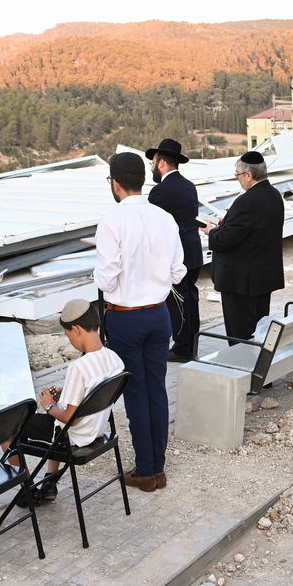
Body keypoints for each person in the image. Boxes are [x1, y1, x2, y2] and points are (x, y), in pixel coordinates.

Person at [93, 152, 185, 492]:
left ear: (115, 184)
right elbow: (179, 271)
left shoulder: (111, 221)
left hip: (126, 317)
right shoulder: (164, 217)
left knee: (135, 393)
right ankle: (156, 467)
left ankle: (146, 470)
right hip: (159, 314)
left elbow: (105, 280)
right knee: (156, 389)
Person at [6, 299, 125, 507]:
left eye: (68, 335)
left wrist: (49, 405)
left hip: (74, 436)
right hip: (97, 430)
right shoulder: (114, 358)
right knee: (58, 421)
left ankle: (28, 490)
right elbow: (89, 393)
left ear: (76, 329)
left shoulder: (79, 367)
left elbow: (70, 419)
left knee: (8, 431)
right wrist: (66, 393)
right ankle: (49, 484)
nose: (69, 340)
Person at [203, 151, 284, 341]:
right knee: (259, 329)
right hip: (263, 277)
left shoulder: (247, 201)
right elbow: (253, 228)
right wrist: (228, 222)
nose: (237, 179)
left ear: (248, 175)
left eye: (237, 175)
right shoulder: (274, 195)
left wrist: (211, 231)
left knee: (240, 335)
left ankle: (243, 368)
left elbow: (223, 240)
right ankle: (257, 367)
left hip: (241, 282)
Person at [147, 138, 203, 362]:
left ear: (161, 163)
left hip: (175, 255)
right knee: (191, 299)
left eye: (152, 162)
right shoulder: (189, 186)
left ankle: (182, 348)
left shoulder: (160, 192)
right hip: (194, 251)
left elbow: (152, 227)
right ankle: (194, 342)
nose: (151, 167)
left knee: (178, 302)